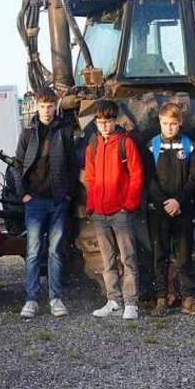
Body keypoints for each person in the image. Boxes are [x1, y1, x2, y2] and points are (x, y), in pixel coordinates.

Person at [14, 88, 76, 319]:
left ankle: (55, 299)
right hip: (35, 201)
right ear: (37, 107)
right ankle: (31, 300)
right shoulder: (29, 133)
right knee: (33, 252)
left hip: (58, 200)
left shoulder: (63, 131)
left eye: (50, 106)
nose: (46, 111)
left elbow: (71, 164)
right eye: (42, 106)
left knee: (56, 251)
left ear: (55, 106)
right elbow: (17, 164)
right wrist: (23, 194)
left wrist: (68, 194)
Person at [85, 100, 144, 320]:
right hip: (100, 213)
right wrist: (92, 205)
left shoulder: (125, 143)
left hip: (120, 212)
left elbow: (136, 176)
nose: (104, 126)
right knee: (107, 260)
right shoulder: (93, 144)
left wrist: (128, 205)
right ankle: (113, 301)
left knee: (127, 258)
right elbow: (90, 177)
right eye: (100, 122)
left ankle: (131, 303)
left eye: (107, 122)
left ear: (115, 120)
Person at [146, 102, 195, 315]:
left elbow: (194, 177)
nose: (169, 127)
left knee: (184, 254)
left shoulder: (190, 146)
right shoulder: (152, 147)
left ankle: (188, 298)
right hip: (159, 211)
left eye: (173, 124)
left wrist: (178, 201)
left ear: (180, 123)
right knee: (160, 254)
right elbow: (149, 179)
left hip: (182, 209)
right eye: (165, 123)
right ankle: (161, 299)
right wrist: (164, 203)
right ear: (160, 122)